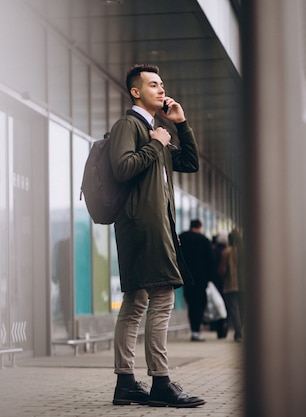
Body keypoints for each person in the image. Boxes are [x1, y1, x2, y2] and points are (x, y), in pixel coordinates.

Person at [110, 64, 205, 408]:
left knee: (136, 301)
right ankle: (161, 382)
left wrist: (179, 124)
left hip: (149, 226)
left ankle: (126, 383)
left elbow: (191, 162)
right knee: (161, 297)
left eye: (162, 84)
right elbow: (122, 168)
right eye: (153, 84)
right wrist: (155, 144)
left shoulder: (157, 131)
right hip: (143, 227)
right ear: (136, 92)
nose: (161, 89)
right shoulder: (129, 125)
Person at [179, 219, 215, 342]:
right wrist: (211, 278)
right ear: (200, 227)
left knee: (191, 304)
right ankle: (196, 331)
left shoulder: (182, 238)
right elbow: (211, 261)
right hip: (201, 279)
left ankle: (194, 330)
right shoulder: (204, 240)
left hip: (186, 278)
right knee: (199, 304)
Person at [218, 228, 243, 342]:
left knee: (233, 309)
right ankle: (240, 330)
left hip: (230, 284)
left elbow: (222, 270)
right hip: (244, 285)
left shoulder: (226, 252)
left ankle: (238, 332)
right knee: (242, 309)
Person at [211, 232, 229, 338]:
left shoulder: (214, 250)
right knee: (225, 305)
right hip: (226, 282)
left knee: (217, 305)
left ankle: (217, 327)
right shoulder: (227, 251)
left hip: (217, 282)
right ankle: (225, 328)